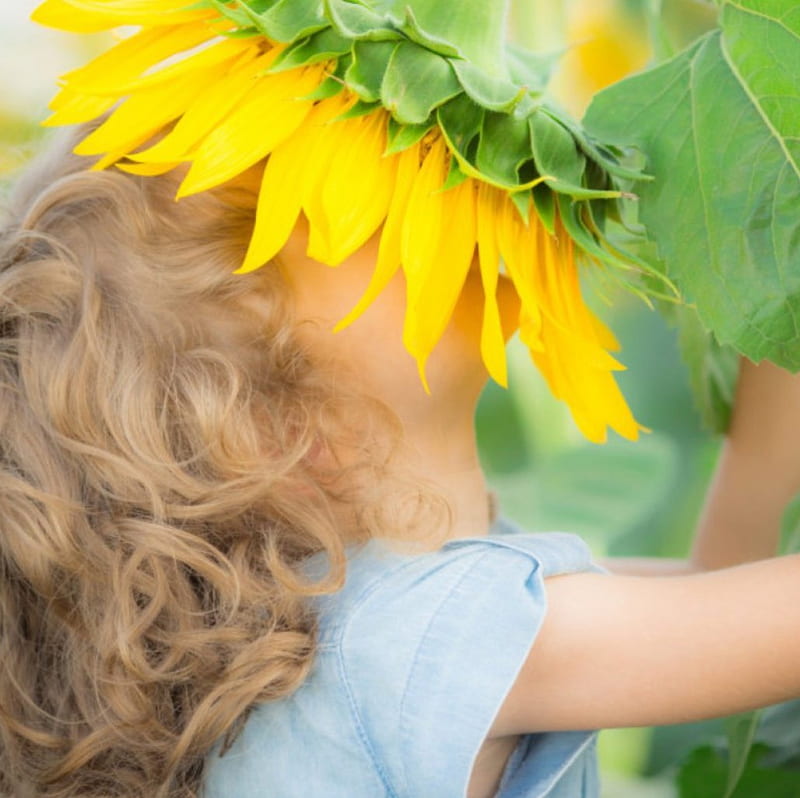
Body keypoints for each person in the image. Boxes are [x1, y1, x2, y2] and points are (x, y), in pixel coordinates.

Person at [3, 121, 800, 798]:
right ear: (261, 429)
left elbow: (720, 582)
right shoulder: (418, 641)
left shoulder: (373, 632)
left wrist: (766, 288)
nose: (416, 186)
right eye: (340, 207)